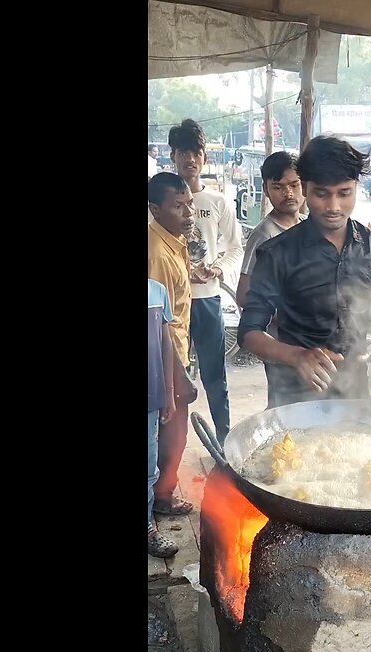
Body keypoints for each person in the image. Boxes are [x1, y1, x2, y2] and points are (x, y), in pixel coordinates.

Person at [239, 136, 371, 407]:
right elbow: (249, 332)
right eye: (321, 194)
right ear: (305, 189)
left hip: (355, 396)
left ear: (356, 188)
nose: (333, 207)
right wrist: (297, 356)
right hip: (294, 396)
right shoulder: (277, 252)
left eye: (344, 193)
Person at [168, 119, 242, 446]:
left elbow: (236, 246)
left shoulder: (217, 202)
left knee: (215, 376)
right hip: (172, 305)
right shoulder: (157, 204)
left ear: (204, 158)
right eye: (183, 152)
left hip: (208, 299)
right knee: (174, 377)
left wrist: (219, 269)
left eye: (195, 152)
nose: (190, 159)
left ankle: (225, 443)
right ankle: (171, 448)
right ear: (173, 156)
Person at [147, 172, 199, 519]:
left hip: (177, 349)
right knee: (173, 434)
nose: (188, 212)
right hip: (167, 358)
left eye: (189, 204)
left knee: (168, 433)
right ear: (154, 209)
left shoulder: (172, 240)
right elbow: (159, 327)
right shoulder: (157, 255)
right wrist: (177, 378)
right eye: (178, 206)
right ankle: (161, 498)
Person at [237, 151, 307, 405]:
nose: (288, 193)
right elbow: (244, 293)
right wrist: (289, 314)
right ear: (266, 191)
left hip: (306, 338)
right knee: (282, 404)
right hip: (279, 342)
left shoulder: (307, 227)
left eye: (294, 185)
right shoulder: (264, 235)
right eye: (278, 187)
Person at [147, 277, 194, 558]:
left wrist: (169, 391)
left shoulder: (157, 291)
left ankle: (148, 529)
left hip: (151, 395)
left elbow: (166, 342)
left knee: (149, 465)